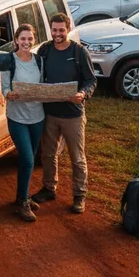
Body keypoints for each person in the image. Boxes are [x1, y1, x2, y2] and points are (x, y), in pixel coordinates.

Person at [32, 13, 97, 214]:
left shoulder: (79, 53)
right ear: (50, 30)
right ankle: (49, 188)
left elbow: (91, 81)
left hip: (73, 115)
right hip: (49, 113)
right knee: (48, 154)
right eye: (54, 30)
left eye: (61, 30)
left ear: (68, 29)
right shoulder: (45, 50)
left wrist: (83, 94)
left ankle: (79, 196)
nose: (57, 34)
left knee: (77, 157)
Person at [0, 24, 45, 222]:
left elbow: (43, 84)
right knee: (28, 159)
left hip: (37, 116)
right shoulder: (9, 61)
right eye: (22, 39)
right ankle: (23, 202)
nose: (26, 42)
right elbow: (4, 87)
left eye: (30, 39)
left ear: (34, 40)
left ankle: (21, 196)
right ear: (16, 40)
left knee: (28, 160)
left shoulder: (39, 61)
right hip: (17, 117)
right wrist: (9, 94)